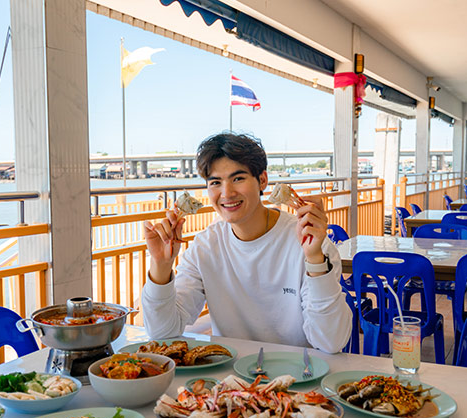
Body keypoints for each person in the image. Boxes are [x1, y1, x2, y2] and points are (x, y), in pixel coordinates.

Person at [140, 132, 352, 353]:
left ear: (262, 180)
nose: (227, 193)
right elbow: (162, 331)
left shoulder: (310, 242)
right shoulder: (205, 247)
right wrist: (160, 264)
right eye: (215, 182)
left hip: (299, 370)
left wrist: (315, 259)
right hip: (228, 371)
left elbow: (331, 342)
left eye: (238, 179)